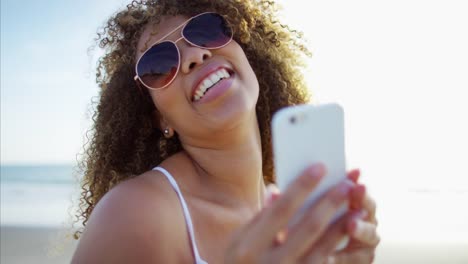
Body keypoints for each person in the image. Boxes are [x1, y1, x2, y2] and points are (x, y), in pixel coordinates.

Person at [71, 0, 379, 263]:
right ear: (159, 118)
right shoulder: (136, 213)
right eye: (159, 64)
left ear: (248, 54)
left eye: (205, 31)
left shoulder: (290, 207)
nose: (194, 56)